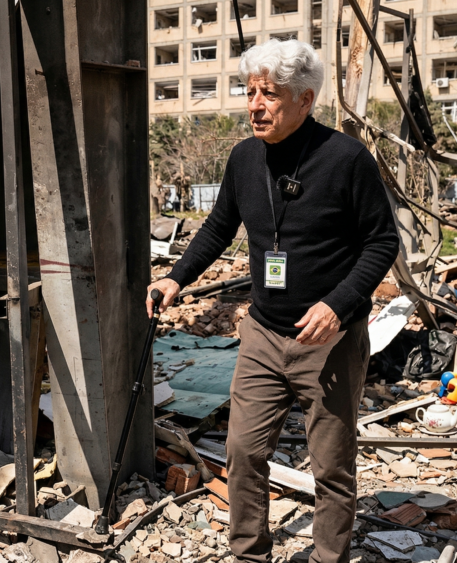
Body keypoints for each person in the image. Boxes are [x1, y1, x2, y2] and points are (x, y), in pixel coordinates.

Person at [147, 39, 399, 563]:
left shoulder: (346, 159)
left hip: (329, 340)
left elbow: (381, 243)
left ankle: (328, 558)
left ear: (305, 100)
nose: (255, 105)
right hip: (263, 333)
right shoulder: (244, 158)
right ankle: (249, 554)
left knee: (331, 466)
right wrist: (176, 278)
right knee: (243, 451)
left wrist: (337, 305)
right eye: (250, 92)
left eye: (270, 94)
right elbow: (218, 227)